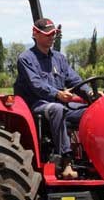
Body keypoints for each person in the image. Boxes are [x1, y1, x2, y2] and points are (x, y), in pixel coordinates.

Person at [14, 18, 93, 179]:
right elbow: (36, 85)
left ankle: (91, 157)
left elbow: (75, 80)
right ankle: (66, 162)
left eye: (54, 34)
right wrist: (57, 94)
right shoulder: (26, 58)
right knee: (57, 109)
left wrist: (91, 94)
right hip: (36, 105)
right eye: (48, 34)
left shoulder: (59, 58)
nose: (52, 37)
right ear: (35, 34)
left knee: (91, 112)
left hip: (60, 103)